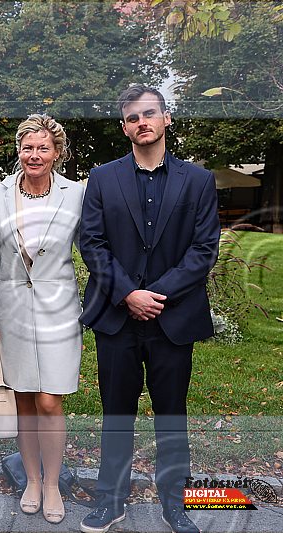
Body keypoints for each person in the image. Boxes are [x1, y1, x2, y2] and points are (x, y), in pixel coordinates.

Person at [79, 85, 220, 533]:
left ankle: (175, 504)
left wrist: (155, 295)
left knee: (172, 416)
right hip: (116, 319)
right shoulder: (103, 178)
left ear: (166, 118)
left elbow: (204, 249)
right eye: (133, 117)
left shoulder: (198, 180)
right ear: (125, 128)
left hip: (173, 319)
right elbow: (92, 243)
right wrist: (128, 294)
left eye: (149, 114)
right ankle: (111, 501)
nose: (142, 122)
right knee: (116, 416)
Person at [0, 114, 83, 524]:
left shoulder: (76, 194)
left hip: (59, 310)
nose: (34, 155)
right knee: (23, 399)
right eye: (27, 148)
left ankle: (53, 483)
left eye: (43, 148)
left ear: (57, 152)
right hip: (12, 310)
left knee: (50, 401)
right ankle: (33, 481)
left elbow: (93, 248)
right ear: (18, 151)